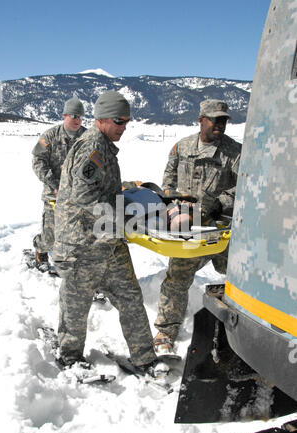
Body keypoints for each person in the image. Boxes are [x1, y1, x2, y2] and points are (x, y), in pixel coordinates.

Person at [52, 90, 164, 376]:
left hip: (109, 242)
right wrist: (127, 215)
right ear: (101, 118)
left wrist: (129, 191)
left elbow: (102, 187)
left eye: (126, 121)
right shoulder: (91, 147)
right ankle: (69, 356)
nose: (123, 127)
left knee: (130, 298)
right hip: (81, 245)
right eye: (118, 120)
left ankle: (144, 358)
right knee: (76, 306)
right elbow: (84, 198)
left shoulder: (103, 147)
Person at [154, 99, 242, 356]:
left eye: (224, 120)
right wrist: (172, 206)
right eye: (215, 119)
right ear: (201, 119)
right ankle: (165, 331)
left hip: (221, 230)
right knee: (177, 278)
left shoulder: (235, 152)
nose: (220, 124)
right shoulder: (181, 147)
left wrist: (220, 203)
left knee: (239, 277)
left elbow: (247, 185)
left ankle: (245, 331)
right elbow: (168, 181)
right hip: (188, 230)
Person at [32, 97, 86, 269]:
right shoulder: (50, 136)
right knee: (50, 237)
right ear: (64, 116)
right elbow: (38, 161)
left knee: (80, 234)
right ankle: (40, 250)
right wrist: (54, 184)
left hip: (79, 195)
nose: (77, 120)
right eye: (74, 116)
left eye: (80, 117)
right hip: (53, 195)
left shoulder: (87, 137)